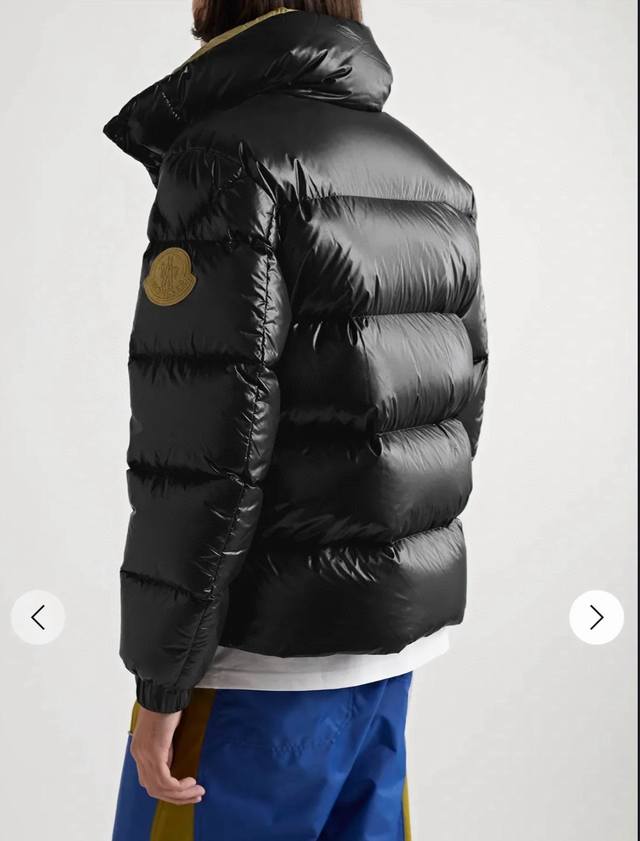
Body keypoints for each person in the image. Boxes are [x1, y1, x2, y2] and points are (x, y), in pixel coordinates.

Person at [105, 1, 488, 838]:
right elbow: (461, 406)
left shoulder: (226, 158)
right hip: (385, 656)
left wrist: (163, 680)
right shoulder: (432, 175)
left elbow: (206, 446)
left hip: (254, 669)